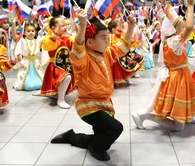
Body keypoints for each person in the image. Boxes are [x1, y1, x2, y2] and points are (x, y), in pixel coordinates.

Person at [50, 10, 135, 161]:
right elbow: (77, 47)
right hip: (89, 105)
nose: (107, 42)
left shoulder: (106, 53)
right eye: (103, 38)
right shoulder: (83, 59)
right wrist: (82, 25)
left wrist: (131, 27)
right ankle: (95, 148)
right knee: (116, 128)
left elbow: (123, 46)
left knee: (102, 136)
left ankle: (73, 137)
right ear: (90, 41)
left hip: (105, 104)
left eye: (107, 38)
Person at [131, 0, 195, 131]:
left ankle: (190, 116)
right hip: (178, 78)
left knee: (192, 95)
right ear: (174, 29)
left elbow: (190, 28)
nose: (183, 27)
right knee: (179, 128)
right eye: (180, 25)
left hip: (182, 75)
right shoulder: (174, 41)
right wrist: (190, 5)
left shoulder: (171, 40)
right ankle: (144, 116)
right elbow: (190, 27)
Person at [38, 16, 74, 108]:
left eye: (66, 25)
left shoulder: (68, 39)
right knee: (67, 77)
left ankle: (58, 95)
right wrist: (53, 38)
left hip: (67, 66)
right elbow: (46, 47)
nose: (66, 27)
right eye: (62, 26)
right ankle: (60, 100)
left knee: (68, 77)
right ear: (53, 28)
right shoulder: (49, 39)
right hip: (54, 67)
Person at [13, 23, 44, 91]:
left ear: (35, 32)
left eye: (32, 31)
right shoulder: (22, 41)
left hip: (36, 62)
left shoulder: (38, 40)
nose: (30, 33)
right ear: (24, 33)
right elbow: (18, 50)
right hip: (26, 62)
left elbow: (41, 51)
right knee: (27, 85)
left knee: (41, 83)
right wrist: (18, 55)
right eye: (28, 31)